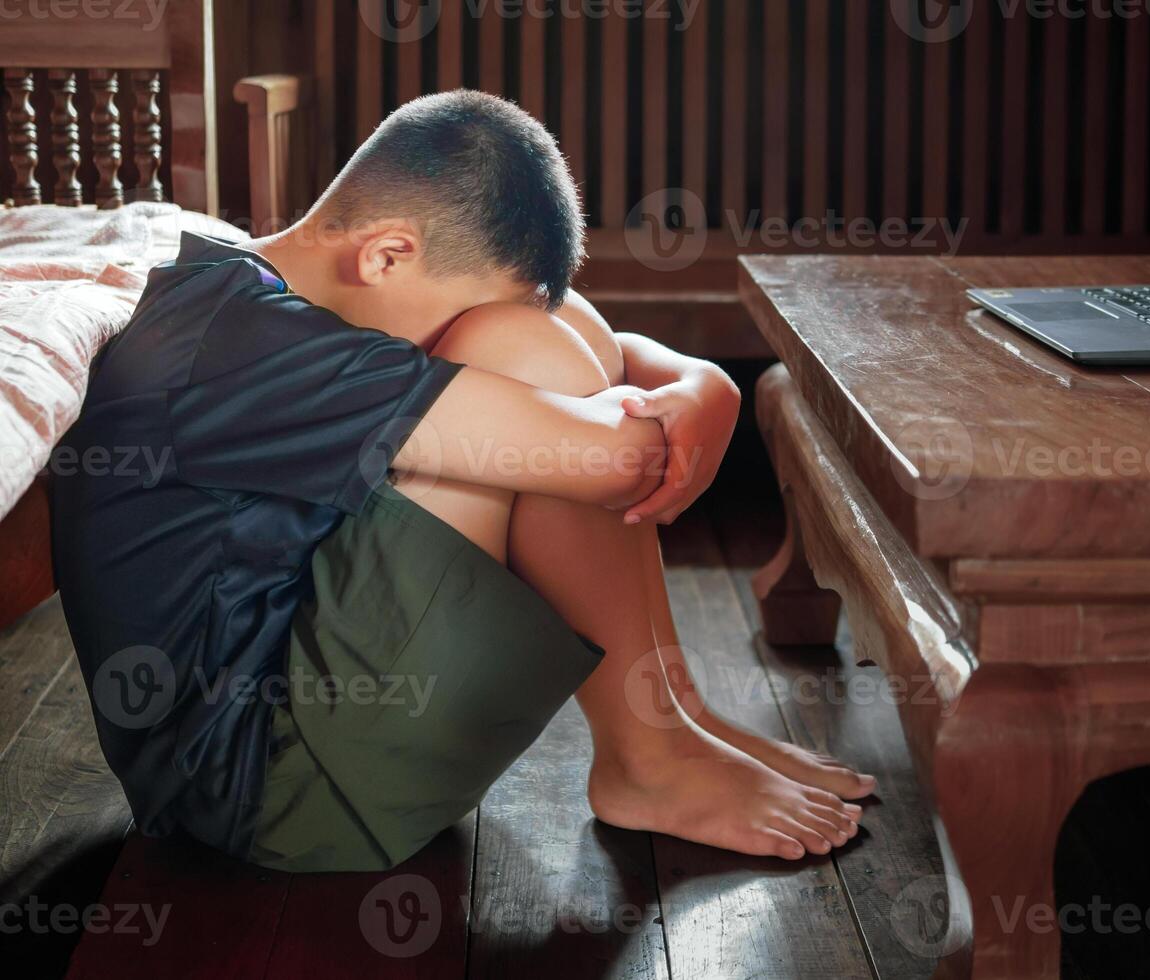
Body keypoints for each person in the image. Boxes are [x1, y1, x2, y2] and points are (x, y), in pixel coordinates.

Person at [51, 90, 875, 873]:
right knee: (524, 350)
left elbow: (596, 345)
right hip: (271, 792)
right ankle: (647, 757)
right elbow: (619, 458)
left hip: (315, 704)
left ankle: (676, 718)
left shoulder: (252, 295)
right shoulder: (239, 349)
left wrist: (706, 383)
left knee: (556, 324)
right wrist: (691, 403)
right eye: (448, 320)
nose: (452, 340)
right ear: (385, 254)